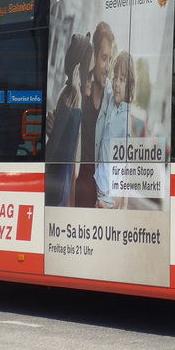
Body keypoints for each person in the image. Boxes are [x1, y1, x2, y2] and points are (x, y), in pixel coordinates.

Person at [44, 34, 92, 208]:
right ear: (79, 71)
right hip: (58, 191)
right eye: (90, 73)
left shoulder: (72, 98)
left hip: (61, 189)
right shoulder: (71, 98)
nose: (91, 79)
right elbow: (61, 156)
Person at [76, 21, 115, 209]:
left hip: (100, 188)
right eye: (103, 58)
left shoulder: (112, 98)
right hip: (79, 181)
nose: (107, 67)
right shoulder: (81, 88)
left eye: (110, 59)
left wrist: (107, 197)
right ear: (94, 56)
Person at [94, 50, 134, 209]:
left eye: (122, 80)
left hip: (109, 192)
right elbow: (108, 86)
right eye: (115, 77)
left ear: (130, 86)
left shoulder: (125, 119)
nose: (117, 83)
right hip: (100, 184)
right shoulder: (112, 101)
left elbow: (125, 163)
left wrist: (118, 197)